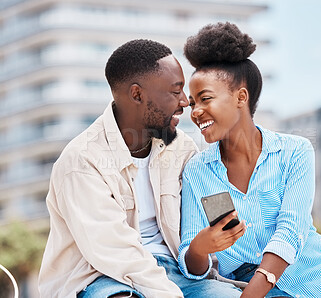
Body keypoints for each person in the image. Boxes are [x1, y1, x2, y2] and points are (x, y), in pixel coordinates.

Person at [38, 39, 242, 297]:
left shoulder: (182, 148)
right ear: (137, 94)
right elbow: (114, 252)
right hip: (102, 277)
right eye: (175, 91)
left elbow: (212, 221)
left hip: (179, 272)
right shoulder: (81, 161)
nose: (185, 102)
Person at [178, 22, 321, 298]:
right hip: (243, 285)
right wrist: (199, 248)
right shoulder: (197, 171)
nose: (196, 112)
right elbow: (194, 265)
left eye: (205, 99)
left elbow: (290, 231)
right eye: (193, 103)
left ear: (241, 97)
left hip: (319, 283)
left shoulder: (295, 152)